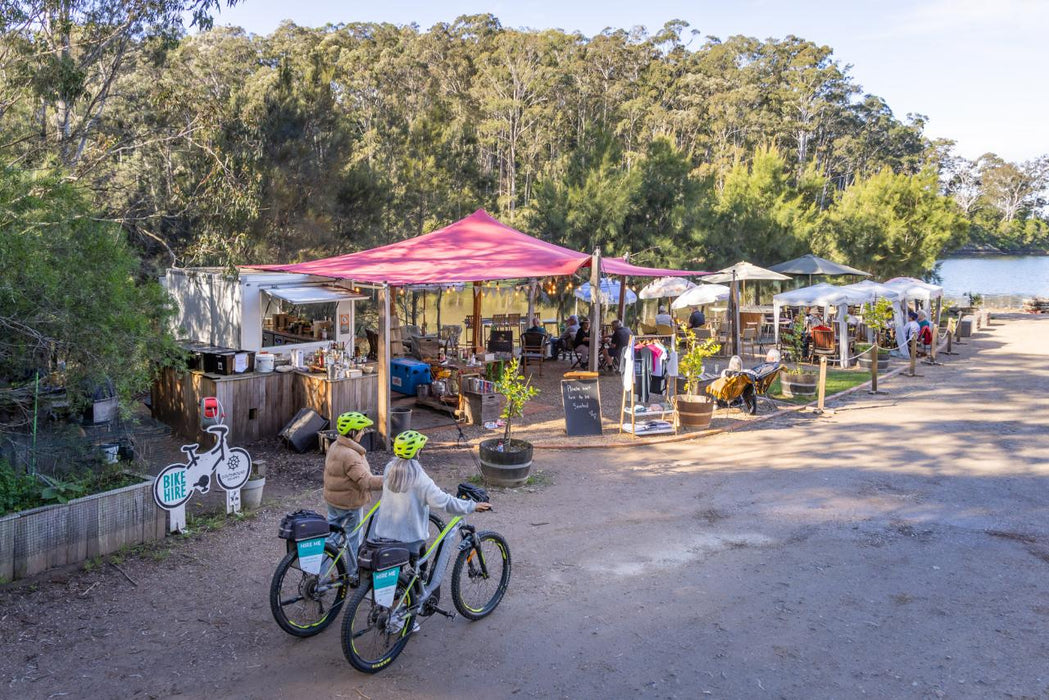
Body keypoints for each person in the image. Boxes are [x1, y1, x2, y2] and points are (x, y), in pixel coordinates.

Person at [371, 431, 490, 547]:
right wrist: (472, 506)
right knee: (421, 561)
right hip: (409, 540)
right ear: (417, 451)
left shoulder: (389, 468)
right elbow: (445, 502)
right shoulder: (419, 478)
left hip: (383, 535)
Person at [323, 412, 383, 583]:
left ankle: (318, 572)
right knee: (353, 537)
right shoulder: (350, 455)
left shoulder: (335, 446)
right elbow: (366, 482)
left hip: (333, 500)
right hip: (349, 503)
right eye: (361, 430)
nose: (363, 433)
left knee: (332, 537)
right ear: (352, 432)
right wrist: (390, 480)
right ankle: (353, 574)